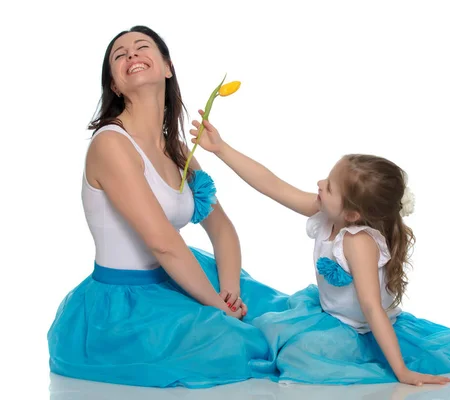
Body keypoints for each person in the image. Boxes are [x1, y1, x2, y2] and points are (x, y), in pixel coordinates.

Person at [46, 25, 290, 389]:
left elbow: (221, 229)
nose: (131, 55)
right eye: (119, 54)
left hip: (179, 277)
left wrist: (229, 291)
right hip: (124, 307)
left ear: (166, 68)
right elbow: (162, 243)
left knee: (278, 318)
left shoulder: (179, 151)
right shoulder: (110, 145)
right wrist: (218, 308)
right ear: (114, 84)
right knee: (242, 346)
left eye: (142, 47)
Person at [190, 113, 450, 386]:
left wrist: (401, 371)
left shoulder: (358, 242)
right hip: (330, 313)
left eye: (328, 186)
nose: (318, 184)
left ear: (353, 215)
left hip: (356, 329)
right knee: (269, 329)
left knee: (289, 349)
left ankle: (386, 360)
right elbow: (272, 185)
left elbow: (371, 308)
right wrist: (221, 150)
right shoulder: (328, 211)